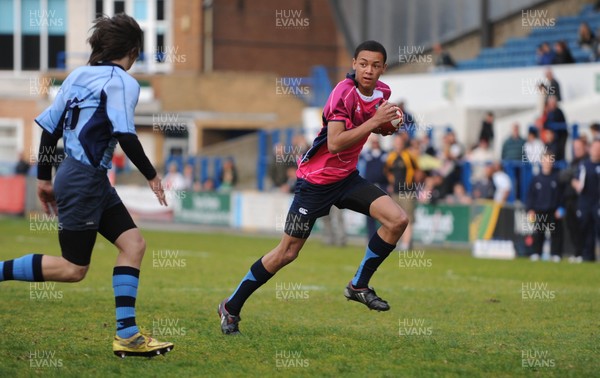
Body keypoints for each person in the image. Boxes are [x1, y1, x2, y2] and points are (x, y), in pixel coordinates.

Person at [0, 14, 173, 357]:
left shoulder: (77, 76)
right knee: (73, 268)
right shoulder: (123, 82)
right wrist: (152, 175)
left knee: (134, 244)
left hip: (81, 176)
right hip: (85, 179)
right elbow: (125, 133)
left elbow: (50, 130)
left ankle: (127, 334)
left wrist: (43, 179)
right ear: (134, 50)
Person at [217, 41, 408, 335]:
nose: (369, 70)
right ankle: (230, 306)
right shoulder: (341, 94)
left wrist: (390, 125)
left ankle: (358, 285)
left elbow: (378, 126)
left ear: (383, 68)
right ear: (354, 64)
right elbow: (335, 142)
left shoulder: (383, 92)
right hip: (314, 183)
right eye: (364, 64)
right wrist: (375, 123)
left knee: (397, 220)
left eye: (376, 65)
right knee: (286, 253)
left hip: (346, 179)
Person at [526, 153, 565, 262]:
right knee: (538, 233)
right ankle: (536, 253)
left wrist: (561, 208)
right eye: (545, 160)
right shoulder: (536, 179)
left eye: (549, 161)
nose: (547, 163)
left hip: (553, 210)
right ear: (541, 162)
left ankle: (556, 254)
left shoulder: (557, 178)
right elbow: (530, 195)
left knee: (556, 233)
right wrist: (530, 209)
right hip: (540, 210)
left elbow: (562, 195)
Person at [385, 134, 419, 251]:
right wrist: (392, 182)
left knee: (407, 218)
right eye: (396, 142)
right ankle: (397, 243)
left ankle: (406, 244)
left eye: (399, 142)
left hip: (407, 192)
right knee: (396, 218)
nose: (398, 144)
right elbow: (387, 171)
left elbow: (418, 171)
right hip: (395, 192)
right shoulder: (391, 157)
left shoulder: (409, 155)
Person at [571, 139, 600, 262]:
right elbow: (575, 180)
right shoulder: (583, 165)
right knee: (586, 230)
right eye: (595, 148)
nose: (596, 151)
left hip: (598, 203)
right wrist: (575, 184)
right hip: (585, 203)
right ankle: (588, 257)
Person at [562, 138, 588, 263]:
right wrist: (572, 177)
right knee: (572, 227)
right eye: (575, 148)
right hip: (569, 199)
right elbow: (562, 176)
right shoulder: (573, 162)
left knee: (582, 228)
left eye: (579, 147)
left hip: (581, 200)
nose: (576, 150)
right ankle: (578, 252)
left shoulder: (586, 162)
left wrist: (570, 176)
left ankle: (584, 253)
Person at [360, 135, 389, 238]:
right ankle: (371, 237)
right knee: (370, 213)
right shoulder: (366, 154)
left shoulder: (385, 155)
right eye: (373, 142)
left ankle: (384, 237)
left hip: (383, 186)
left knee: (385, 214)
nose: (375, 144)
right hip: (369, 186)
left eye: (376, 142)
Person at [544, 96, 568, 161]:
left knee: (558, 155)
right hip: (552, 140)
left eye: (553, 103)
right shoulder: (548, 112)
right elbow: (545, 123)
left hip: (559, 139)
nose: (552, 105)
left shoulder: (559, 112)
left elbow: (562, 125)